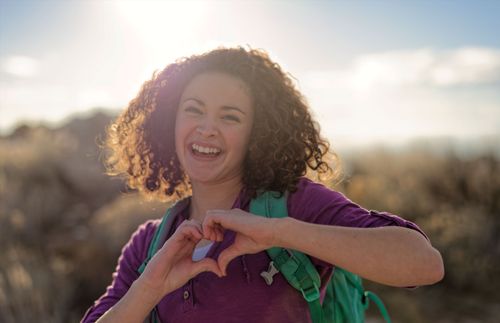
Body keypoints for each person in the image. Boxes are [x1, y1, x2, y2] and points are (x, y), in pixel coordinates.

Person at [82, 47, 444, 323]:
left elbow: (423, 264)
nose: (207, 128)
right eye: (193, 109)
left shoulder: (295, 204)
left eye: (230, 116)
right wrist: (150, 288)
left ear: (257, 134)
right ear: (168, 123)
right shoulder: (150, 244)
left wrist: (280, 233)